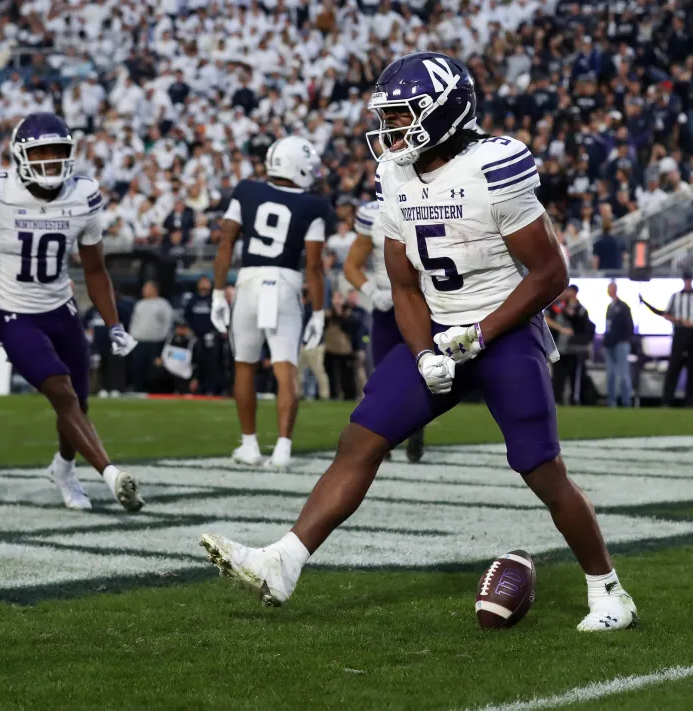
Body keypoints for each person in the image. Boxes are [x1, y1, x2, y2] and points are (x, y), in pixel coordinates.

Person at [201, 52, 637, 632]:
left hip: (504, 330)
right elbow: (403, 284)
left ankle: (608, 591)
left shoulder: (493, 165)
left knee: (540, 469)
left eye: (405, 115)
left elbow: (551, 274)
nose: (391, 130)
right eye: (390, 116)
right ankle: (285, 559)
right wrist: (427, 351)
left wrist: (479, 332)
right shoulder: (395, 175)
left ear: (447, 111)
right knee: (360, 438)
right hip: (437, 325)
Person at [0, 112, 144, 513]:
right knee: (60, 390)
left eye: (59, 152)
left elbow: (94, 269)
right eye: (41, 152)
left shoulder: (83, 196)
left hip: (60, 307)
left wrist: (114, 324)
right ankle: (110, 474)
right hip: (12, 312)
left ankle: (63, 468)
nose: (51, 161)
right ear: (20, 156)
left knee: (78, 402)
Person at [210, 136, 332, 470]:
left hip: (248, 282)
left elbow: (225, 246)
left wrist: (219, 292)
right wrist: (319, 312)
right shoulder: (314, 206)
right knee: (284, 368)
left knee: (244, 365)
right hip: (284, 283)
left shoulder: (246, 191)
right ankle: (282, 449)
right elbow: (314, 267)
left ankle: (249, 445)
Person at [343, 200, 425, 460]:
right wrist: (372, 292)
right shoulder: (372, 213)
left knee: (424, 370)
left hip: (422, 302)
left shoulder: (428, 199)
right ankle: (381, 435)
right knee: (380, 375)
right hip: (386, 306)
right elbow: (351, 266)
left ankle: (416, 428)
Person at [660, 270, 693, 407]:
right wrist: (679, 320)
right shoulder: (676, 297)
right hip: (680, 332)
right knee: (674, 367)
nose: (687, 282)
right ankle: (667, 401)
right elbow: (667, 314)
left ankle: (690, 402)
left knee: (692, 369)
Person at [603, 281, 633, 407]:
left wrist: (623, 339)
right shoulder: (610, 307)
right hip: (610, 343)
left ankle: (626, 401)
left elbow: (629, 326)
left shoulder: (623, 307)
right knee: (611, 373)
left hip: (620, 343)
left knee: (623, 373)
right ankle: (612, 400)